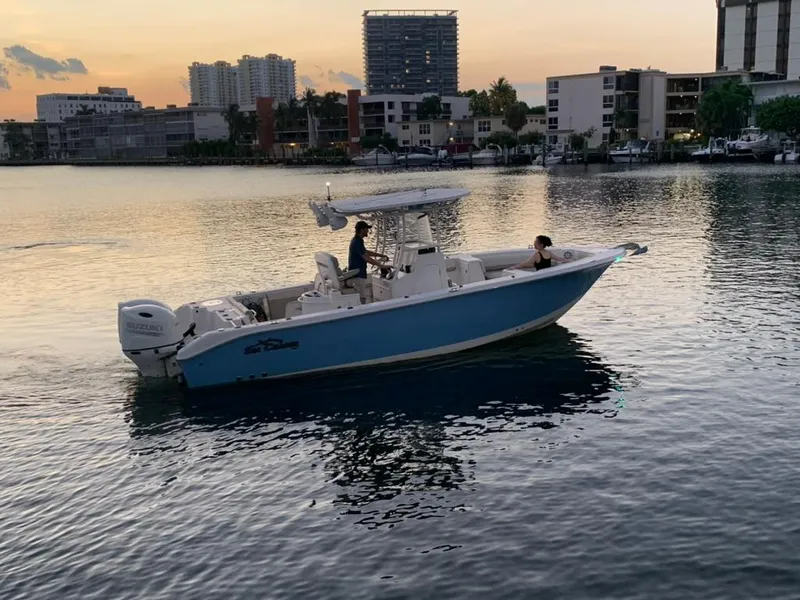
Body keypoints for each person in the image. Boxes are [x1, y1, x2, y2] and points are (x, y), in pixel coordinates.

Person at [348, 220, 388, 303]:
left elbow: (366, 252)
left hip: (359, 273)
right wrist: (381, 266)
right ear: (362, 230)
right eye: (366, 229)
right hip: (358, 274)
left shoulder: (357, 240)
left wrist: (381, 255)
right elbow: (366, 258)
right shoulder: (357, 242)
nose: (368, 231)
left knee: (363, 296)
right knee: (362, 298)